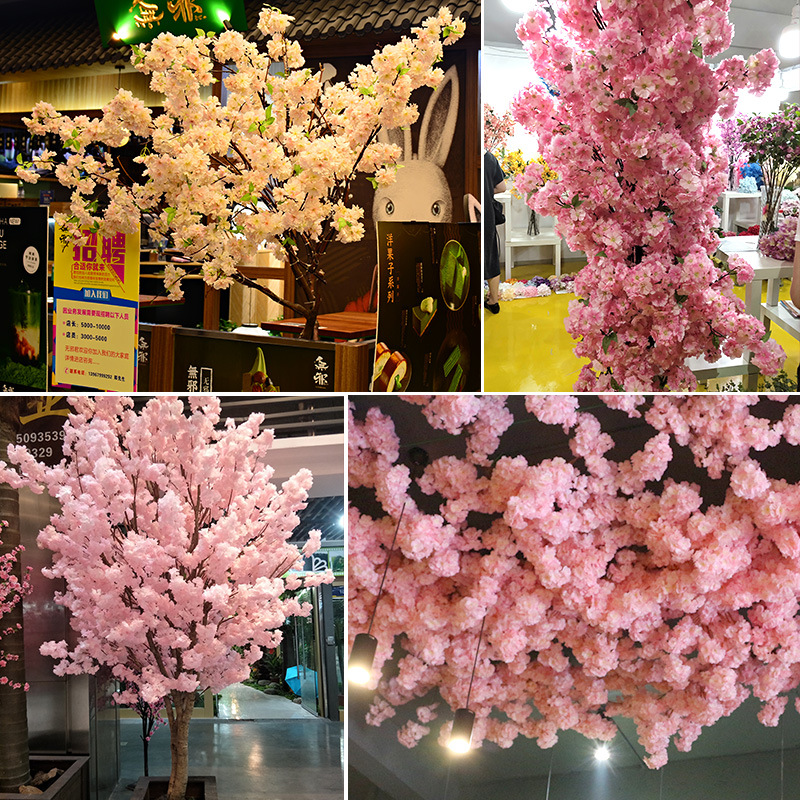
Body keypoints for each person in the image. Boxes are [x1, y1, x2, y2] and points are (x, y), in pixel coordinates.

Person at [484, 150, 506, 313]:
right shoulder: (489, 158)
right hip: (487, 214)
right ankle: (493, 301)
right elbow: (502, 187)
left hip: (469, 210)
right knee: (490, 255)